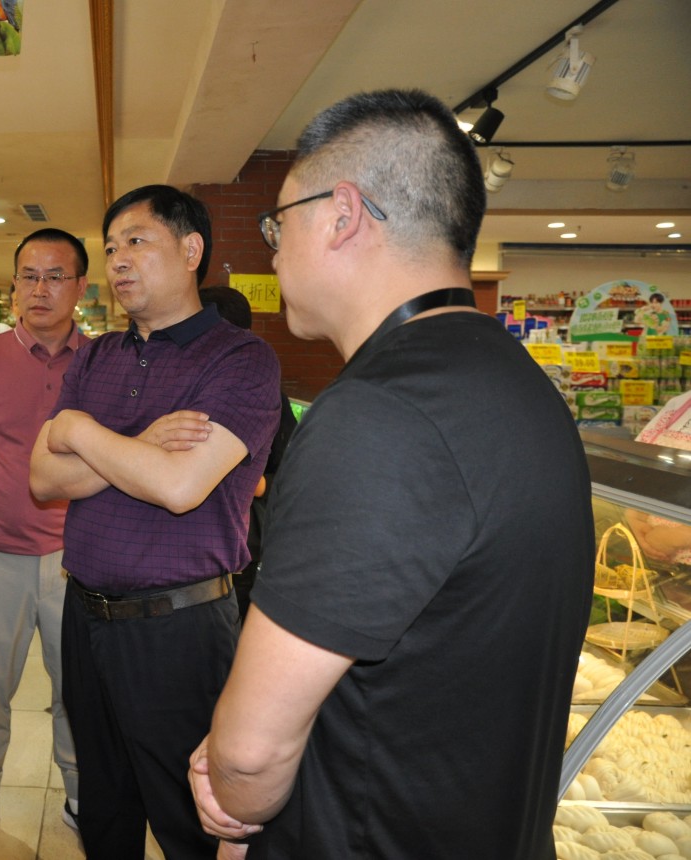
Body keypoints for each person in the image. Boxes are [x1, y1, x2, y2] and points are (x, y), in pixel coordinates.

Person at [189, 89, 594, 859]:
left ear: (341, 214)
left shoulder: (378, 415)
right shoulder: (516, 381)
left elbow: (248, 754)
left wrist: (231, 802)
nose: (273, 250)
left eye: (278, 223)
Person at [29, 185, 281, 859]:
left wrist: (79, 430)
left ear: (191, 250)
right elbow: (42, 477)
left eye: (136, 242)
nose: (117, 261)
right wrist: (139, 444)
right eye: (111, 247)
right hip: (84, 616)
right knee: (104, 806)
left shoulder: (240, 359)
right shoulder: (96, 355)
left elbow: (179, 486)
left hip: (178, 626)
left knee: (189, 815)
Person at [0, 228, 90, 858]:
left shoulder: (101, 361)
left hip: (77, 559)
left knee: (76, 688)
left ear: (80, 287)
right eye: (29, 276)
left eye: (56, 276)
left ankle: (81, 798)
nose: (40, 288)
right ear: (13, 287)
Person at [197, 284, 298, 619]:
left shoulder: (267, 394)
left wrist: (256, 482)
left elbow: (293, 474)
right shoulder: (185, 389)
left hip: (241, 545)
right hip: (187, 550)